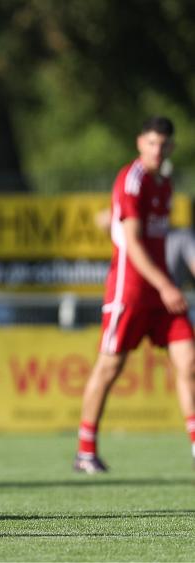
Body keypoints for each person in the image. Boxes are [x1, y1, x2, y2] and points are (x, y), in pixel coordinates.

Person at [75, 116, 195, 474]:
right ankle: (85, 451)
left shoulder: (165, 183)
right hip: (131, 289)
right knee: (110, 367)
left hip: (161, 294)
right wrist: (166, 284)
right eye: (151, 142)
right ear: (140, 143)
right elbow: (132, 242)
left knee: (188, 362)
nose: (157, 149)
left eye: (163, 144)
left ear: (171, 147)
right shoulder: (133, 180)